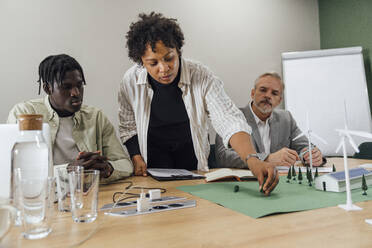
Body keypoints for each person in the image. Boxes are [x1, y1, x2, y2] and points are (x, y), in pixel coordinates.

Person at [118, 12, 278, 195]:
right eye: (153, 63)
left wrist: (253, 160)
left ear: (178, 50)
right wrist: (136, 156)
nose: (164, 69)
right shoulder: (130, 81)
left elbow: (228, 119)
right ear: (141, 63)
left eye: (169, 58)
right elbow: (128, 125)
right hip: (152, 171)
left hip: (193, 167)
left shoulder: (201, 76)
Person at [8, 54, 133, 183]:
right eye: (66, 87)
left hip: (89, 195)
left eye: (79, 85)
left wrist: (108, 168)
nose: (76, 93)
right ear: (47, 88)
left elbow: (125, 164)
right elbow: (19, 170)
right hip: (44, 198)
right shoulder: (25, 114)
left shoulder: (96, 117)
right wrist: (68, 170)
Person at [215, 72, 324, 168]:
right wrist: (267, 158)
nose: (268, 95)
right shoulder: (231, 117)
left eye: (274, 93)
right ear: (253, 93)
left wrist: (310, 155)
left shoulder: (286, 118)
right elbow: (223, 156)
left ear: (279, 100)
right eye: (263, 90)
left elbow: (304, 146)